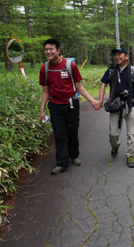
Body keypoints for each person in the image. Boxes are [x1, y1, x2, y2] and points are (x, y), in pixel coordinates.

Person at [39, 39, 98, 175]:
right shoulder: (45, 68)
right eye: (46, 49)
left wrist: (92, 101)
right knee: (59, 134)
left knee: (72, 132)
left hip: (71, 104)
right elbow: (45, 90)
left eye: (51, 49)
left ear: (58, 51)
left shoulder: (70, 66)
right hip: (54, 105)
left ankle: (74, 155)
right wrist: (42, 109)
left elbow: (79, 87)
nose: (48, 51)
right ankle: (62, 163)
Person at [95, 48, 134, 168]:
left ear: (126, 56)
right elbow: (103, 84)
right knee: (113, 134)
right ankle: (115, 145)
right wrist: (100, 99)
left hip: (131, 106)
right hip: (115, 106)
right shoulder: (111, 71)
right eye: (115, 55)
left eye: (120, 54)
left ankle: (130, 154)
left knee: (132, 133)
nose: (117, 56)